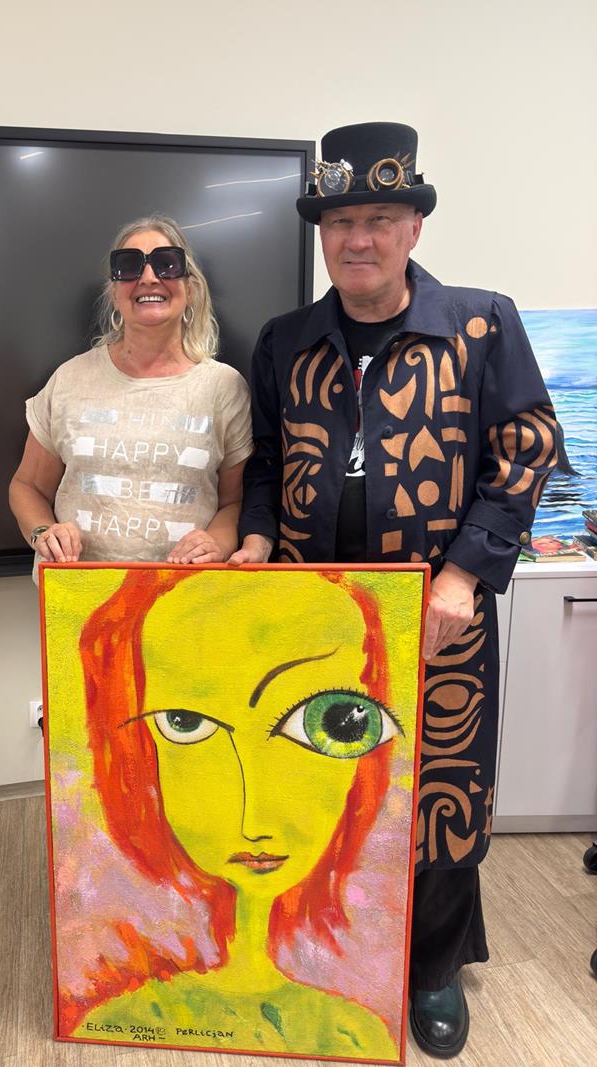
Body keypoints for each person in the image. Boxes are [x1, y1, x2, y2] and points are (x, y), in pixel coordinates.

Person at [229, 122, 562, 1058]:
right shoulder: (285, 340)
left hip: (437, 611)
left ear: (415, 227)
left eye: (380, 219)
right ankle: (328, 943)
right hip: (311, 614)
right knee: (321, 780)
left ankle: (433, 966)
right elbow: (264, 461)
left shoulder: (480, 322)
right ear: (322, 235)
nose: (359, 239)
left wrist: (465, 573)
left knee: (440, 790)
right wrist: (256, 537)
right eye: (341, 222)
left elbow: (527, 448)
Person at [54, 566, 425, 1060]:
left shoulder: (354, 1032)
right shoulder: (126, 1014)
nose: (254, 821)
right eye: (185, 722)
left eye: (332, 721)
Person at [8, 215, 252, 569]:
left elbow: (235, 503)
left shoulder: (224, 388)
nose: (149, 277)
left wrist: (217, 542)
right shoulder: (69, 380)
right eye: (129, 265)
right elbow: (27, 486)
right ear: (113, 292)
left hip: (181, 593)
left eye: (167, 264)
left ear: (191, 288)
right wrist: (43, 532)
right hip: (78, 593)